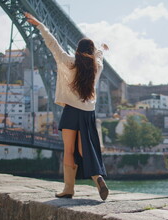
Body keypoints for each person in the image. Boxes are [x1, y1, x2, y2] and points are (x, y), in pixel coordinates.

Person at [25, 12, 109, 200]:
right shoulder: (98, 67)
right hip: (88, 113)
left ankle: (68, 189)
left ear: (77, 50)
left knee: (69, 150)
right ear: (92, 51)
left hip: (71, 111)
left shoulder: (68, 62)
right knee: (84, 149)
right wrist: (101, 49)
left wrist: (41, 26)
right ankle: (98, 179)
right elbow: (99, 57)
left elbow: (53, 44)